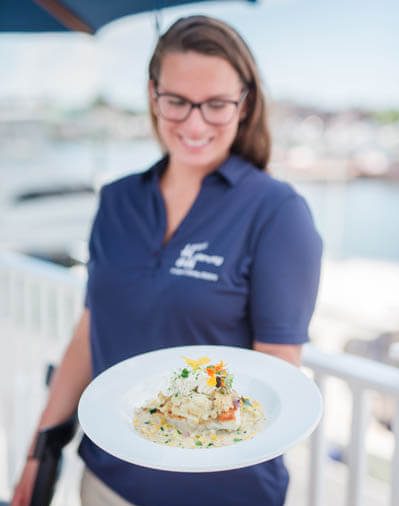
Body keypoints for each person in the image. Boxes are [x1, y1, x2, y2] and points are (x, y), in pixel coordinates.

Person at [12, 14, 322, 506]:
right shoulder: (117, 201)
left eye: (216, 104)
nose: (193, 123)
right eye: (176, 101)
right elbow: (88, 332)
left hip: (222, 493)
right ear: (153, 96)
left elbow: (276, 373)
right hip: (105, 481)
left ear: (244, 105)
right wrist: (40, 449)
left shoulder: (278, 213)